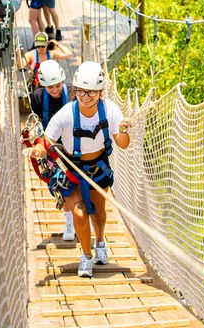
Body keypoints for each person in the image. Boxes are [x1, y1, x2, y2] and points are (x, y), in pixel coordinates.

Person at [24, 61, 130, 277]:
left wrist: (123, 131)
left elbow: (122, 143)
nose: (85, 96)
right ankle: (86, 255)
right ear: (76, 90)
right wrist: (37, 150)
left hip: (98, 167)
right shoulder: (65, 114)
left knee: (98, 211)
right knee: (80, 213)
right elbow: (46, 142)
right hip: (71, 169)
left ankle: (100, 242)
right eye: (81, 91)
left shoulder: (110, 110)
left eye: (91, 92)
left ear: (100, 91)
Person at [31, 59, 75, 240]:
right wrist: (34, 137)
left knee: (80, 183)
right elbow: (37, 120)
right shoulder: (37, 98)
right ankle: (70, 221)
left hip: (74, 144)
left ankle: (81, 215)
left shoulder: (73, 93)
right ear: (44, 86)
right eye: (50, 88)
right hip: (52, 148)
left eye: (57, 86)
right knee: (61, 185)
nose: (55, 90)